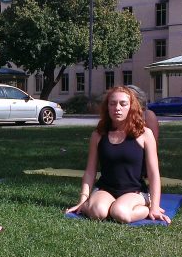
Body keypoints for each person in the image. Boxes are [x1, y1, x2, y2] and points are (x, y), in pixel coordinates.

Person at [66, 86, 170, 224]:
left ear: (131, 107)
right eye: (112, 103)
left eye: (123, 103)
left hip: (135, 191)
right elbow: (90, 171)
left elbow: (153, 173)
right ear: (107, 107)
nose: (117, 108)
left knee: (120, 213)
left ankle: (145, 207)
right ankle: (91, 206)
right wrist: (83, 200)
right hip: (105, 189)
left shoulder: (145, 134)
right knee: (98, 212)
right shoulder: (98, 135)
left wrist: (155, 207)